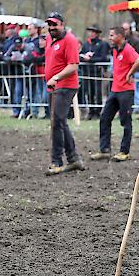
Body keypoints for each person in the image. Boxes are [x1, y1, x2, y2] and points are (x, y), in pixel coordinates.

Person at [90, 27, 139, 162]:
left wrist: (130, 73)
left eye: (112, 35)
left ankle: (124, 151)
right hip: (115, 89)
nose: (110, 37)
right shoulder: (114, 49)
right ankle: (105, 150)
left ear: (120, 36)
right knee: (104, 118)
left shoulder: (128, 49)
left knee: (125, 121)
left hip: (126, 90)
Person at [44, 12, 86, 175]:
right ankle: (74, 158)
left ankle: (56, 161)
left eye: (55, 24)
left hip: (65, 85)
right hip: (53, 86)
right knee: (60, 121)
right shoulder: (49, 38)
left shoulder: (70, 40)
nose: (52, 28)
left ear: (62, 25)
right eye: (50, 25)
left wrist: (56, 76)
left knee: (56, 122)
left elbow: (73, 65)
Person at [79, 24, 110, 120]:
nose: (91, 34)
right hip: (87, 72)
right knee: (89, 92)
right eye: (90, 32)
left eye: (93, 32)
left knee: (97, 92)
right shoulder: (86, 44)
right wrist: (84, 58)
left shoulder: (102, 44)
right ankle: (91, 111)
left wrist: (91, 59)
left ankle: (98, 111)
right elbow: (80, 56)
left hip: (97, 72)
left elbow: (104, 58)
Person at [4, 37, 32, 118]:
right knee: (17, 92)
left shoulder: (28, 48)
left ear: (23, 43)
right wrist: (11, 59)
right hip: (18, 74)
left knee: (28, 94)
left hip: (28, 75)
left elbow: (31, 57)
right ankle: (17, 112)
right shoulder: (12, 47)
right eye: (16, 46)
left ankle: (27, 112)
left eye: (19, 45)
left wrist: (21, 59)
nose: (18, 47)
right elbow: (5, 57)